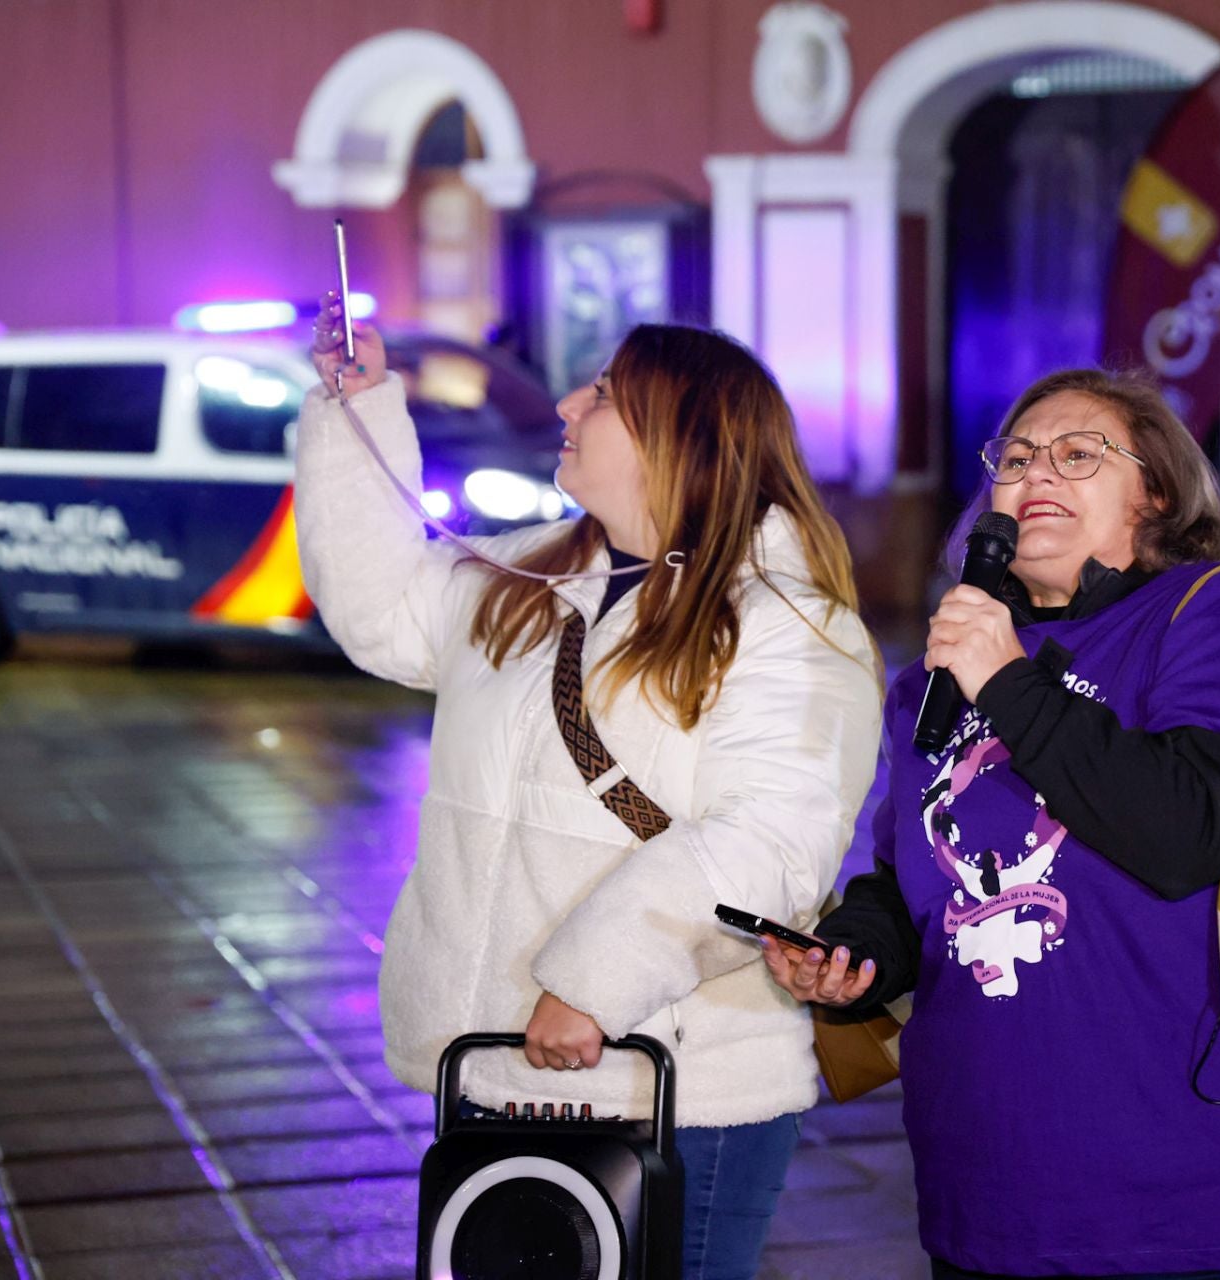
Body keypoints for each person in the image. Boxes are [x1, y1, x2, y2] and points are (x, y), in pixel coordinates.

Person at [297, 301, 883, 1279]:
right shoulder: (527, 571)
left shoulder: (788, 624)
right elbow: (380, 606)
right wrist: (357, 405)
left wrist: (590, 983)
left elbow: (771, 838)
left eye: (606, 392)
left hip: (681, 1091)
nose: (569, 400)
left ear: (681, 439)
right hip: (499, 1065)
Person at [762, 368, 1220, 1279]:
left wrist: (1007, 684)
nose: (1037, 473)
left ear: (1153, 493)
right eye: (1018, 457)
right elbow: (910, 876)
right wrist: (853, 952)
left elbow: (1186, 829)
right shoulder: (939, 673)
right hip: (981, 1184)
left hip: (1173, 1185)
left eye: (1079, 455)